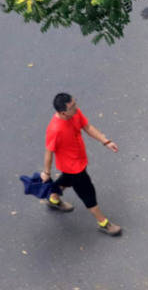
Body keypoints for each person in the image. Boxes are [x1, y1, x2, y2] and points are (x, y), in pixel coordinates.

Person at [40, 93, 122, 236]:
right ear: (63, 112)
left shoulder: (75, 113)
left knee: (66, 181)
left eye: (75, 103)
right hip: (74, 168)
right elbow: (49, 152)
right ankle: (103, 223)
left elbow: (88, 127)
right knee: (88, 193)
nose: (76, 108)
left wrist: (105, 141)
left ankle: (53, 199)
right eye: (72, 106)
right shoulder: (55, 129)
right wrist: (46, 172)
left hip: (79, 160)